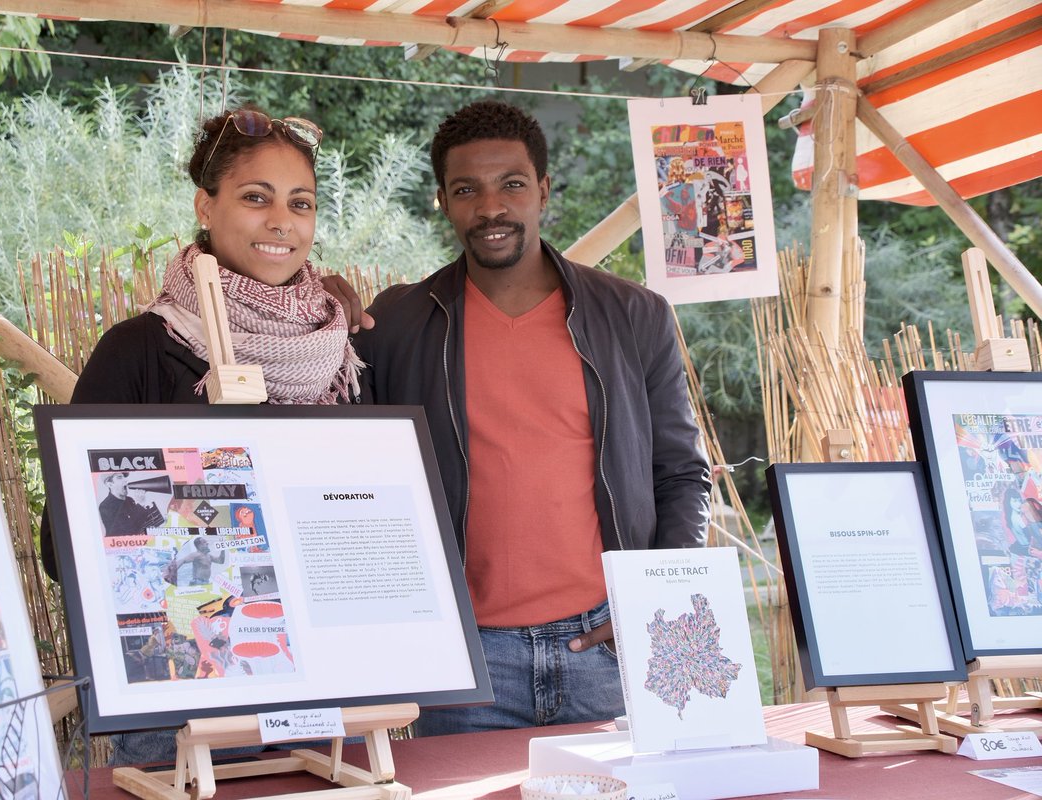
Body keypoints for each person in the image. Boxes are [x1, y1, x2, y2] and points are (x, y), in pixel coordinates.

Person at [352, 100, 711, 735]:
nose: (491, 207)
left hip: (608, 648)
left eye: (512, 184)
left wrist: (655, 599)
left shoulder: (633, 316)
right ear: (442, 200)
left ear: (542, 190)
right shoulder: (398, 326)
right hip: (466, 661)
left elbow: (682, 474)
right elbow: (355, 488)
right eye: (467, 190)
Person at [40, 103, 362, 765]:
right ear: (205, 207)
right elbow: (62, 546)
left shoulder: (342, 352)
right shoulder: (141, 351)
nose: (282, 222)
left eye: (301, 204)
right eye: (254, 198)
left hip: (328, 695)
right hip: (184, 697)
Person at [98, 471, 165, 535]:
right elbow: (128, 531)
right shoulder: (105, 506)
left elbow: (139, 522)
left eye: (124, 477)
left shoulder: (129, 500)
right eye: (119, 477)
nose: (125, 480)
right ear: (110, 484)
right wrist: (141, 504)